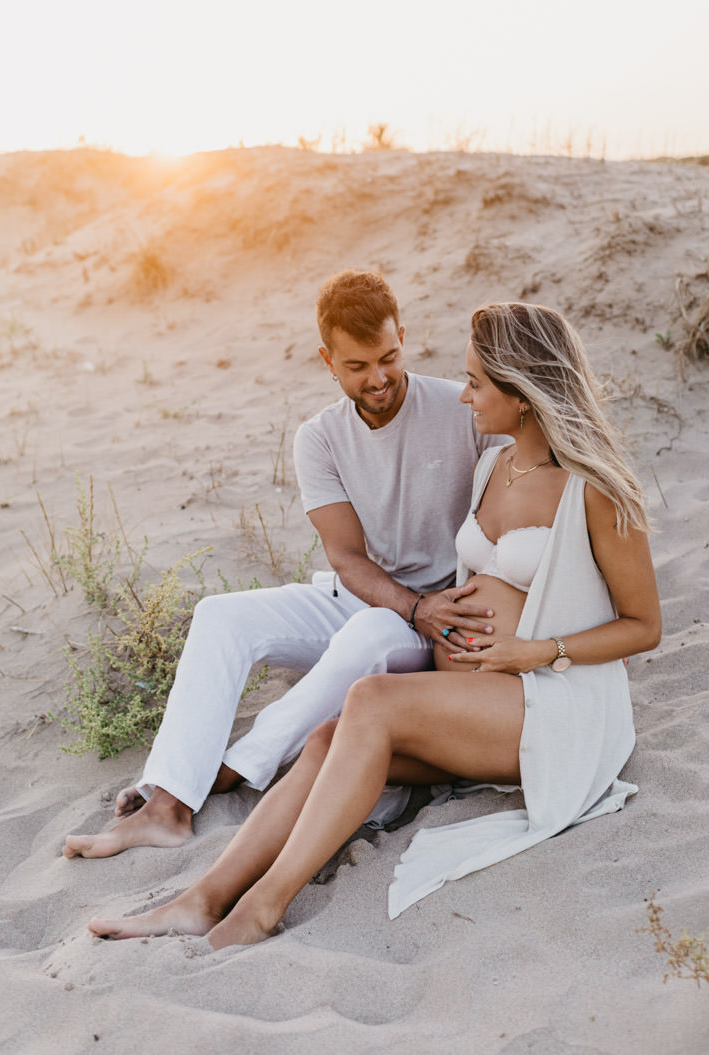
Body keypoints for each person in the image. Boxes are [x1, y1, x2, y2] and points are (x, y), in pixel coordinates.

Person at [85, 301, 662, 947]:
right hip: (475, 705)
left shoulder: (598, 490)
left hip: (553, 705)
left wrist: (536, 650)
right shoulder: (492, 468)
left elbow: (643, 626)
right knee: (329, 738)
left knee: (372, 697)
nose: (464, 394)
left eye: (476, 381)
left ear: (521, 393)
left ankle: (261, 909)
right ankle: (202, 899)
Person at [64, 270, 507, 859]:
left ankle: (225, 772)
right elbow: (347, 557)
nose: (377, 379)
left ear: (402, 334)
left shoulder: (463, 410)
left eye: (388, 357)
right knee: (221, 615)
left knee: (373, 631)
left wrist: (433, 611)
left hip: (433, 623)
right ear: (327, 360)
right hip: (376, 600)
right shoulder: (319, 439)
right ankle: (168, 805)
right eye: (356, 366)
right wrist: (410, 604)